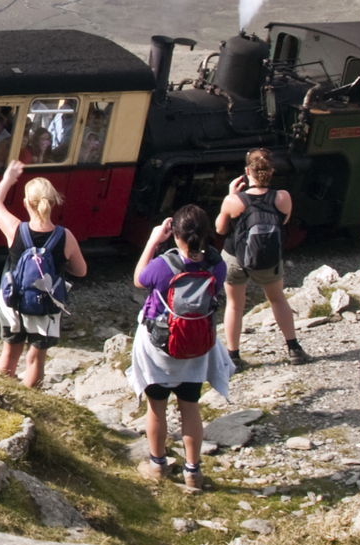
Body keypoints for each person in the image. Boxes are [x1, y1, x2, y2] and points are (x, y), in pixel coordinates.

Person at [129, 205, 231, 491]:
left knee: (156, 408)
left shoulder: (163, 266)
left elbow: (139, 279)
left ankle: (157, 465)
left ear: (175, 235)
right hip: (197, 348)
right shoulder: (217, 265)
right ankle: (193, 471)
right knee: (190, 408)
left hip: (160, 349)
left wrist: (152, 241)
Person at [0, 160, 88, 388]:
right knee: (35, 358)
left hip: (13, 302)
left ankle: (3, 399)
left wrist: (9, 179)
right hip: (46, 305)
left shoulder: (15, 229)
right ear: (53, 203)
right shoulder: (66, 236)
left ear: (25, 203)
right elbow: (81, 271)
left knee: (10, 353)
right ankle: (32, 403)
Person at [214, 150, 312, 366]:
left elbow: (220, 229)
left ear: (247, 171)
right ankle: (293, 348)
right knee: (277, 299)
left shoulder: (233, 200)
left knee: (234, 305)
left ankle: (234, 356)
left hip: (235, 257)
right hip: (268, 258)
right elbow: (283, 222)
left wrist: (230, 196)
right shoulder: (282, 197)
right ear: (272, 171)